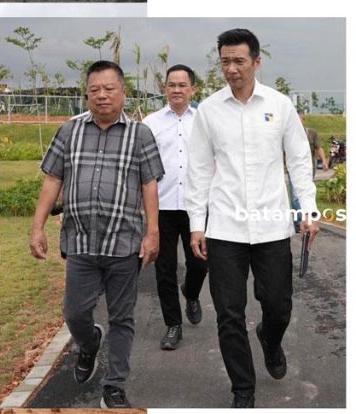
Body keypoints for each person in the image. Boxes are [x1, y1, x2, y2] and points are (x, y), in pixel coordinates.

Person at [185, 28, 320, 408]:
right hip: (225, 228)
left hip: (272, 226)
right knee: (228, 314)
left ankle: (270, 338)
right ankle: (242, 390)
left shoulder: (279, 105)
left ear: (256, 62)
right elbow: (198, 171)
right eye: (225, 61)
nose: (231, 68)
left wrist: (308, 211)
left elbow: (298, 162)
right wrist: (198, 224)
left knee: (278, 306)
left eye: (239, 60)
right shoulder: (209, 110)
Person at [29, 60, 164, 409]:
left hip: (124, 243)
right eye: (94, 90)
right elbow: (52, 180)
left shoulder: (140, 135)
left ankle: (114, 386)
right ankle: (89, 343)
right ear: (86, 94)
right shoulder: (69, 132)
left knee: (122, 318)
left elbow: (149, 185)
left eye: (109, 89)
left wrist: (153, 232)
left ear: (123, 92)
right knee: (75, 313)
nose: (102, 96)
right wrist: (37, 226)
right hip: (81, 242)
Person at [142, 64, 208, 351]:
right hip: (163, 206)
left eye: (183, 85)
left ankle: (191, 293)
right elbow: (142, 166)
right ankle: (173, 324)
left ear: (193, 89)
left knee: (200, 262)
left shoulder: (205, 121)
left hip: (198, 206)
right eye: (172, 85)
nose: (177, 90)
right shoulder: (151, 123)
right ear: (164, 88)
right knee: (165, 269)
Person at [289, 110, 328, 231]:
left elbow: (319, 148)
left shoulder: (311, 133)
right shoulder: (289, 134)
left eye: (299, 119)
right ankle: (298, 220)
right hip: (293, 168)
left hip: (309, 168)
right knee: (295, 195)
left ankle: (305, 219)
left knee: (306, 193)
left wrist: (324, 161)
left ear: (303, 120)